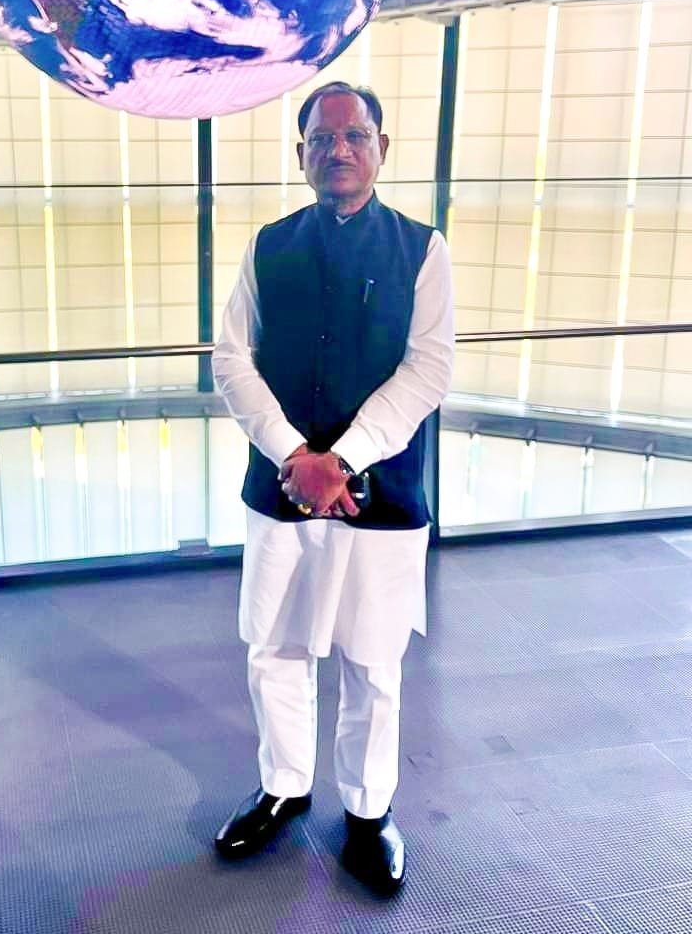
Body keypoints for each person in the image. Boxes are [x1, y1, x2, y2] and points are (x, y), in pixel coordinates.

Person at [211, 80, 454, 893]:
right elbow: (231, 359)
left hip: (380, 491)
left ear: (382, 148)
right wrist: (294, 455)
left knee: (372, 660)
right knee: (275, 648)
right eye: (321, 138)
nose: (338, 150)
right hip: (281, 486)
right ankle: (283, 788)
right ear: (301, 154)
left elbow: (427, 371)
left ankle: (368, 812)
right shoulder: (267, 245)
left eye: (354, 136)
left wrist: (340, 460)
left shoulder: (423, 250)